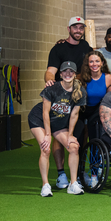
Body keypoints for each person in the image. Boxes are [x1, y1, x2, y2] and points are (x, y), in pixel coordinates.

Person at [44, 16, 93, 189]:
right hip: (62, 96)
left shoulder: (86, 46)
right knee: (59, 133)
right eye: (75, 27)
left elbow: (96, 59)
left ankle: (78, 171)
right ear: (69, 29)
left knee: (81, 133)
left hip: (79, 96)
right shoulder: (58, 49)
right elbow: (50, 71)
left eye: (81, 27)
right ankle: (61, 174)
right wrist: (50, 81)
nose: (78, 30)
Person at [28, 61, 87, 196]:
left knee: (73, 147)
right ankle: (45, 185)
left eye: (71, 71)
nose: (68, 73)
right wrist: (48, 134)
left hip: (59, 123)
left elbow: (74, 115)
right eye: (65, 71)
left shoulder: (80, 91)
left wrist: (70, 134)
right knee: (45, 148)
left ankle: (73, 184)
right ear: (60, 74)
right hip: (39, 120)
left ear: (75, 74)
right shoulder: (52, 89)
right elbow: (45, 113)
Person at [78, 51, 111, 145]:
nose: (94, 64)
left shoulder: (108, 78)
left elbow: (109, 100)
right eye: (91, 61)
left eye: (97, 61)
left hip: (96, 110)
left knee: (95, 137)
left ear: (102, 62)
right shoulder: (80, 78)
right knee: (80, 139)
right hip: (81, 109)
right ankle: (80, 159)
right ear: (87, 64)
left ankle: (95, 159)